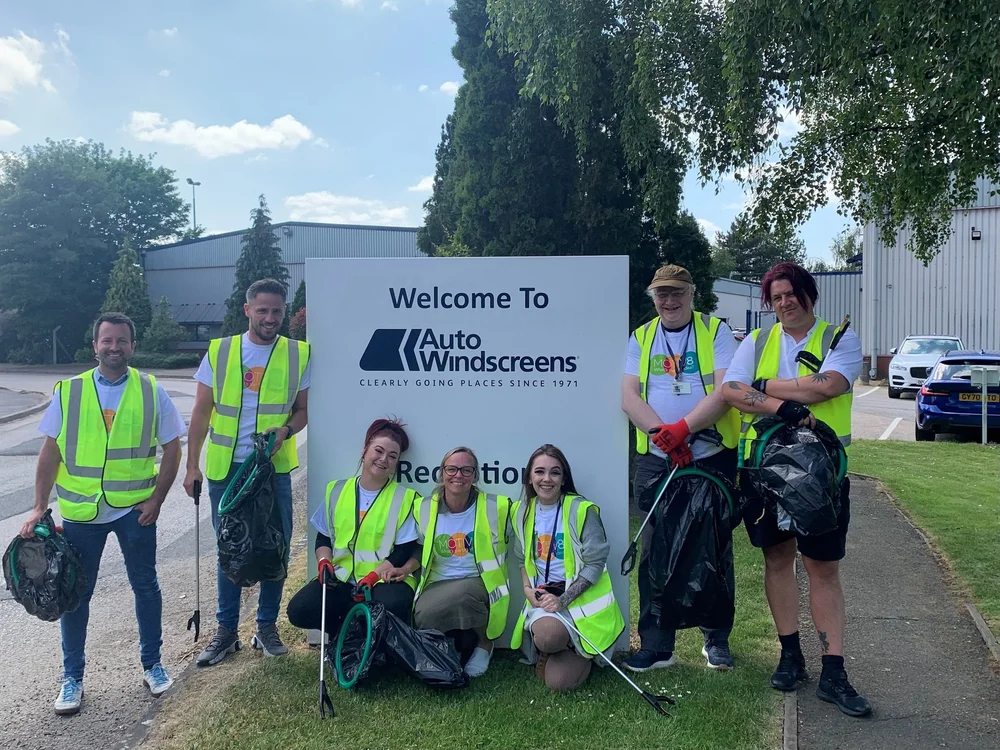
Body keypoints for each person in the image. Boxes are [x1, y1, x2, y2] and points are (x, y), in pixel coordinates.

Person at [722, 261, 871, 717]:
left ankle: (834, 670)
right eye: (777, 297)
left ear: (809, 294)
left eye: (792, 293)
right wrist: (783, 406)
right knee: (777, 560)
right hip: (765, 472)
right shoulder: (757, 340)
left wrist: (766, 387)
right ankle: (790, 656)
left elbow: (831, 385)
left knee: (822, 568)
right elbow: (730, 388)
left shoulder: (839, 339)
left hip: (821, 476)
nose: (785, 302)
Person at [19, 312, 185, 715]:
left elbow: (173, 448)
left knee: (145, 586)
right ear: (95, 345)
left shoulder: (151, 391)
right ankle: (72, 678)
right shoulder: (69, 391)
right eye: (107, 341)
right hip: (81, 515)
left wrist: (157, 500)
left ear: (132, 345)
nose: (114, 347)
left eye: (122, 341)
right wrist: (40, 506)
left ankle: (153, 665)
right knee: (75, 594)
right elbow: (51, 453)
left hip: (134, 511)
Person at [621, 263, 741, 672]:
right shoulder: (641, 337)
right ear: (653, 297)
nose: (669, 301)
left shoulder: (715, 331)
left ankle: (716, 639)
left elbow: (727, 390)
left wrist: (684, 430)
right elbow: (629, 396)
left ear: (692, 293)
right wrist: (663, 435)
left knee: (713, 546)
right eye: (661, 294)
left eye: (676, 293)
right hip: (658, 460)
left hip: (710, 455)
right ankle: (657, 644)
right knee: (655, 550)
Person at [184, 278, 310, 667]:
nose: (270, 317)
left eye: (276, 311)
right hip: (227, 470)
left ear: (283, 312)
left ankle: (265, 627)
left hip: (272, 470)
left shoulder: (298, 354)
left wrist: (287, 430)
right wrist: (191, 466)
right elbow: (201, 412)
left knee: (275, 546)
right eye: (263, 310)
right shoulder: (220, 352)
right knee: (231, 549)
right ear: (247, 309)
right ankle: (226, 633)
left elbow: (304, 410)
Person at [285, 418, 420, 638]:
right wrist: (323, 562)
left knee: (391, 604)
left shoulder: (404, 498)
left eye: (392, 456)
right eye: (379, 450)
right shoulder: (337, 490)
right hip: (342, 578)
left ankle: (370, 644)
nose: (384, 459)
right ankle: (344, 636)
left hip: (383, 580)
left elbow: (403, 550)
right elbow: (323, 538)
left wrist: (371, 578)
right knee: (300, 609)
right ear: (365, 450)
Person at [510, 445, 625, 692]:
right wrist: (528, 588)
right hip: (546, 601)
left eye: (555, 473)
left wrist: (563, 600)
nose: (546, 479)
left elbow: (595, 563)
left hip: (581, 604)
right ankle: (557, 647)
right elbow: (521, 559)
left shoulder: (581, 510)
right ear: (530, 477)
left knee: (559, 683)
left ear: (564, 479)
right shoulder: (521, 512)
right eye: (539, 472)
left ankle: (581, 648)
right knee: (549, 637)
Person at [394, 447, 511, 678]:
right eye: (452, 469)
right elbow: (419, 547)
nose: (459, 475)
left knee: (463, 595)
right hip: (437, 581)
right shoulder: (424, 507)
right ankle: (449, 650)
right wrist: (406, 568)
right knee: (423, 614)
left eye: (467, 470)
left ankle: (485, 644)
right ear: (441, 473)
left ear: (476, 476)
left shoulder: (497, 506)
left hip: (479, 579)